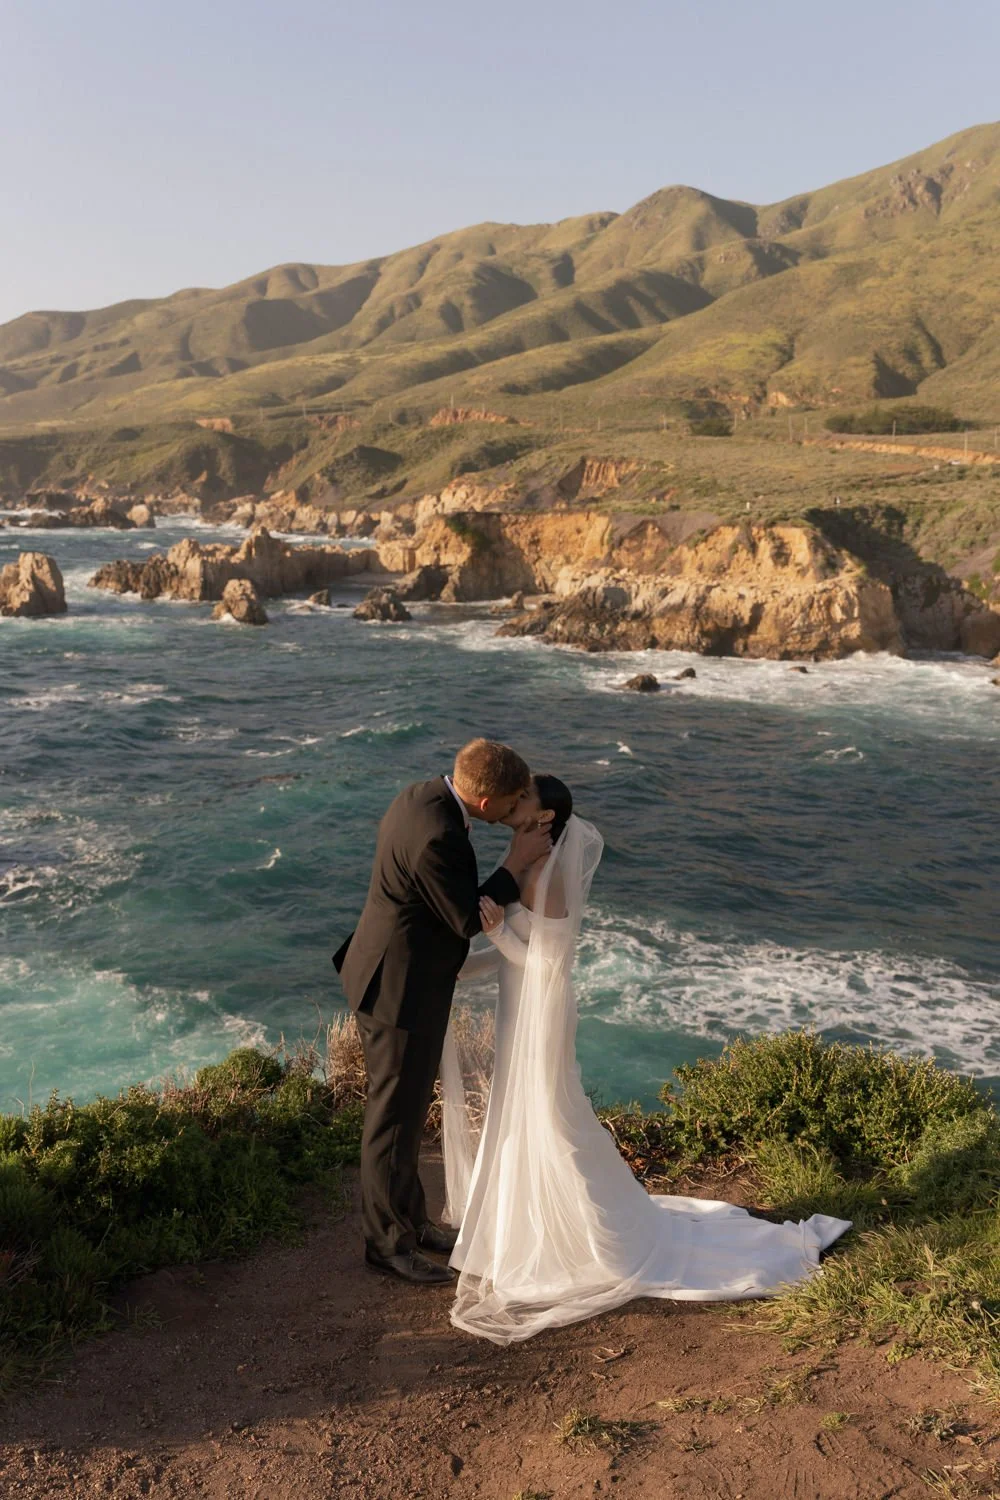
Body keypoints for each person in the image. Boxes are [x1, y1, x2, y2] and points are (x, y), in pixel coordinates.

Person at [444, 775, 852, 1343]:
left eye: (525, 799)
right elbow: (519, 948)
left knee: (554, 1118)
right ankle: (529, 1228)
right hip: (520, 1011)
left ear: (545, 818)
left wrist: (495, 933)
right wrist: (461, 968)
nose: (514, 802)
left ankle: (587, 1237)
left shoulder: (548, 875)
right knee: (524, 1115)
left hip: (544, 1014)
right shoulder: (528, 866)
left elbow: (548, 963)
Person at [333, 739, 552, 1285]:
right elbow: (465, 919)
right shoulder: (440, 834)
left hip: (397, 975)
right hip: (398, 991)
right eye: (512, 802)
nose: (515, 809)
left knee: (406, 1116)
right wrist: (515, 862)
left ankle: (412, 1222)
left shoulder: (419, 797)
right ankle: (386, 1246)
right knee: (391, 1121)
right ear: (486, 802)